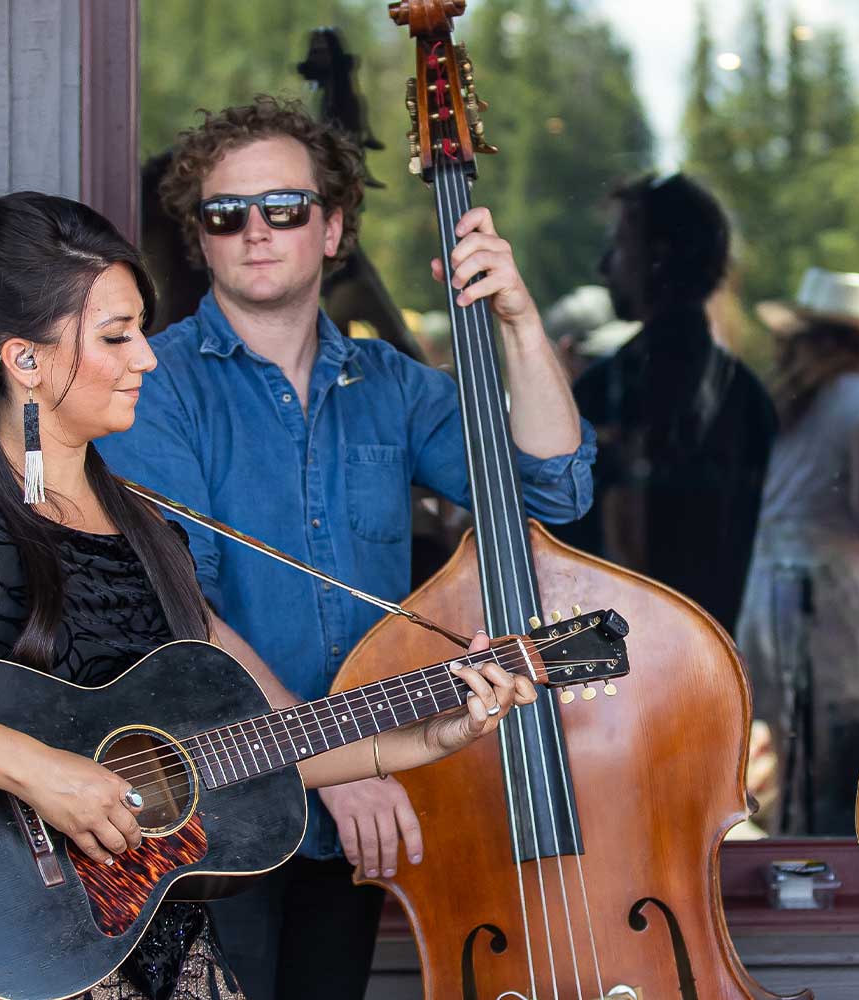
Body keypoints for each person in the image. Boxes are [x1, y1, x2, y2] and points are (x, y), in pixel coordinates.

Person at [0, 190, 541, 1000]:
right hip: (21, 942)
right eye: (116, 337)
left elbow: (261, 734)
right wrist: (43, 773)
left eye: (141, 334)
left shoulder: (148, 528)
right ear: (25, 361)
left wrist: (433, 732)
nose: (147, 358)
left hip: (156, 940)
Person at [96, 95, 592, 1000]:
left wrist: (516, 321)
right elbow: (180, 613)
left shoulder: (393, 388)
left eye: (284, 209)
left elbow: (552, 485)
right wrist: (338, 766)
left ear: (332, 230)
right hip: (219, 806)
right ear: (199, 237)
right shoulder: (152, 389)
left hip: (366, 811)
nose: (255, 231)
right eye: (225, 214)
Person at [735, 269, 859, 836]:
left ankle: (791, 841)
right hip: (824, 588)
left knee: (788, 732)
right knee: (832, 735)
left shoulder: (791, 401)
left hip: (766, 582)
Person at [555, 173, 777, 635]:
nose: (603, 266)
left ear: (659, 257)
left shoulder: (610, 388)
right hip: (710, 656)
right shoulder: (747, 396)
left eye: (619, 245)